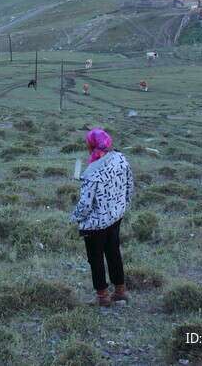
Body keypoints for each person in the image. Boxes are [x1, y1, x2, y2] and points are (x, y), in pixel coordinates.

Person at [72, 128, 134, 307]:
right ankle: (120, 290)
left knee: (95, 258)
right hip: (116, 216)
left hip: (95, 223)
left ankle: (102, 295)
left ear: (90, 146)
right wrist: (122, 205)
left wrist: (76, 217)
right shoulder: (120, 158)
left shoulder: (92, 172)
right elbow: (129, 185)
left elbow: (85, 205)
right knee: (114, 252)